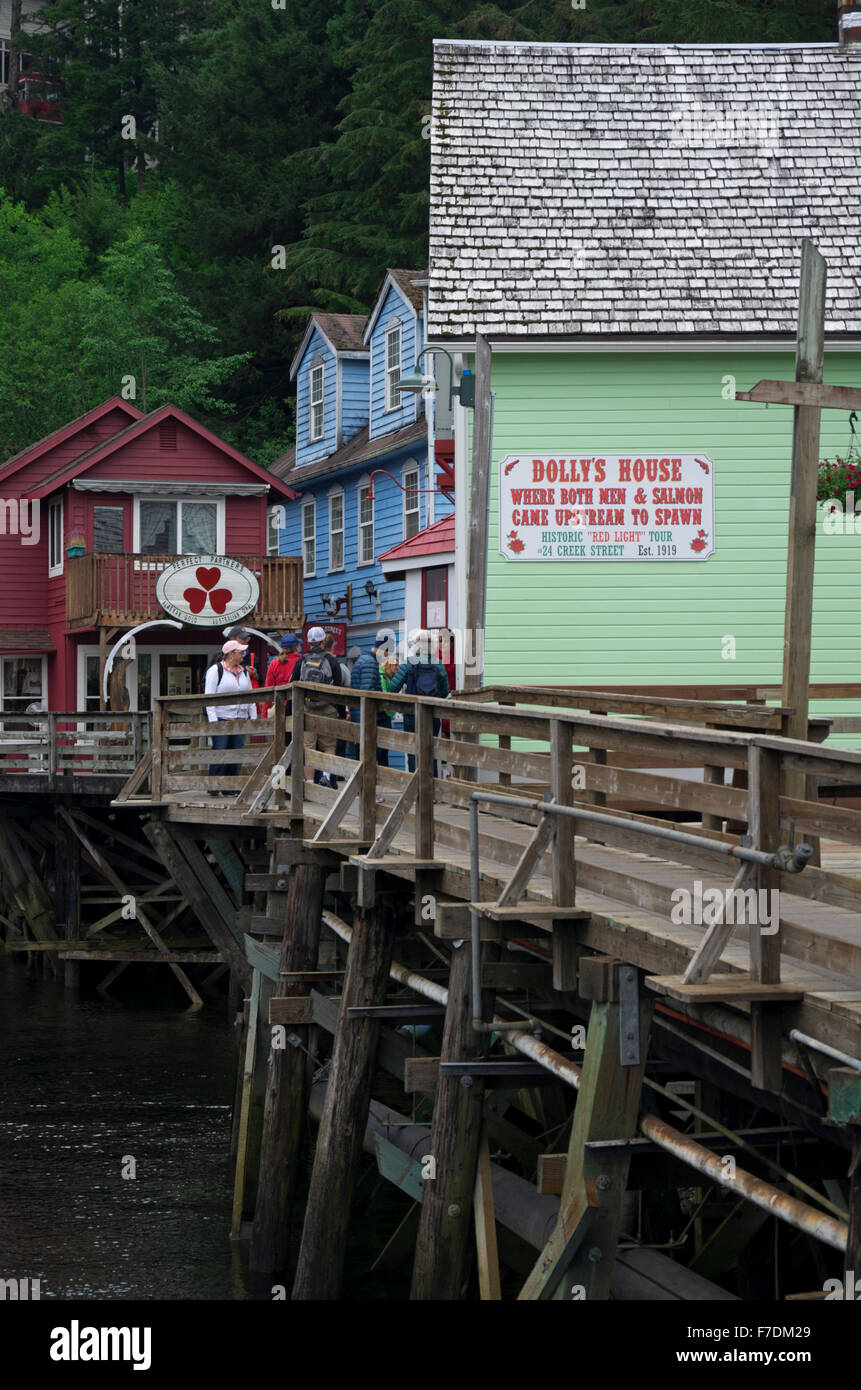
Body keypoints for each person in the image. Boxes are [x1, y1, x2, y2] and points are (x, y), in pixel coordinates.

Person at [386, 629, 450, 774]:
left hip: (412, 715)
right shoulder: (438, 664)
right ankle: (432, 789)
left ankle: (416, 790)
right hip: (432, 715)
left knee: (413, 750)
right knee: (431, 751)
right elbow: (445, 692)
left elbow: (393, 688)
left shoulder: (409, 663)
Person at [290, 625, 341, 788]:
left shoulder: (301, 661)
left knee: (308, 747)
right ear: (322, 641)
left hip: (307, 707)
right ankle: (325, 776)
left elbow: (294, 685)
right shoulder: (332, 660)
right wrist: (338, 710)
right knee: (329, 746)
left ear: (308, 642)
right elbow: (338, 687)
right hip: (328, 708)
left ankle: (310, 783)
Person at [205, 640, 257, 792]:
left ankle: (232, 787)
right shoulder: (216, 670)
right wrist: (213, 720)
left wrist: (253, 718)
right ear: (231, 654)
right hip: (222, 717)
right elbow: (209, 696)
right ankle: (214, 786)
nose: (243, 654)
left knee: (237, 753)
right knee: (220, 752)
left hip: (240, 718)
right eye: (240, 652)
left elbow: (250, 696)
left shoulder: (244, 672)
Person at [348, 631, 389, 765]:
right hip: (366, 717)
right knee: (369, 757)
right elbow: (368, 692)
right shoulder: (370, 663)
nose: (387, 657)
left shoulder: (362, 660)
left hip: (358, 715)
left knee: (362, 757)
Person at [261, 634, 301, 718]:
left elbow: (268, 689)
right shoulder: (302, 661)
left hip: (279, 706)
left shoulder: (274, 664)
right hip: (298, 707)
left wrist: (264, 715)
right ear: (297, 646)